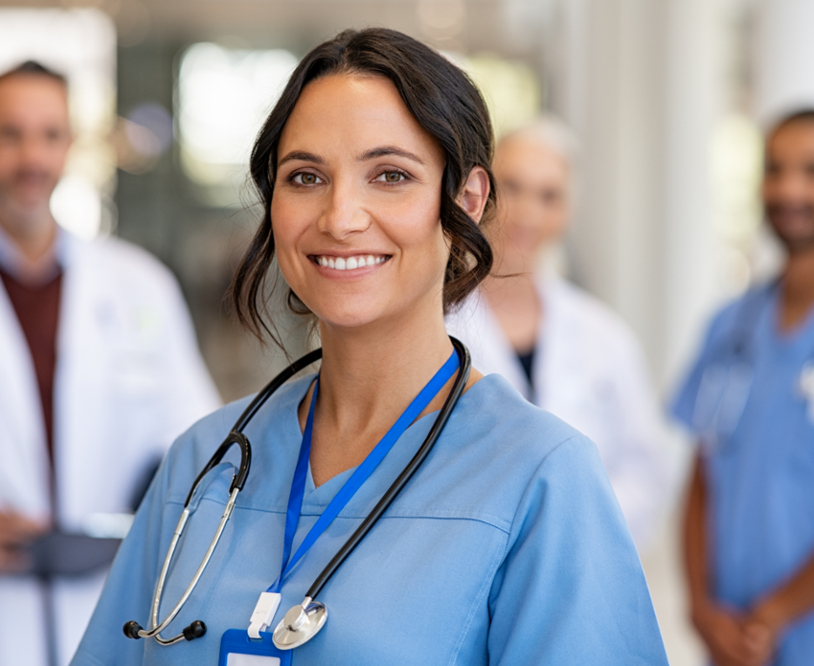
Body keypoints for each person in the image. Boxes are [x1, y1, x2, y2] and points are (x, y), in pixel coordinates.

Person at [70, 29, 668, 665]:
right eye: (305, 176)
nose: (340, 216)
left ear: (466, 200)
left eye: (389, 175)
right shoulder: (203, 465)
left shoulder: (541, 480)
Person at [0, 61, 221, 666]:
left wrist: (135, 519)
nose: (31, 159)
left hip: (112, 604)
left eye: (49, 135)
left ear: (70, 145)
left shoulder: (138, 286)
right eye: (9, 134)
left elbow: (201, 445)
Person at [446, 116, 670, 550]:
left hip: (584, 557)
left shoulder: (604, 337)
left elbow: (646, 470)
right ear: (479, 192)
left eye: (549, 196)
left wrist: (579, 531)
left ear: (567, 211)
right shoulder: (435, 327)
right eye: (512, 186)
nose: (528, 211)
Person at [673, 110, 814, 666]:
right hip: (729, 640)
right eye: (774, 169)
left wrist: (771, 618)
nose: (787, 189)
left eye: (809, 170)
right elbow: (703, 474)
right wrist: (700, 607)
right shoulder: (730, 326)